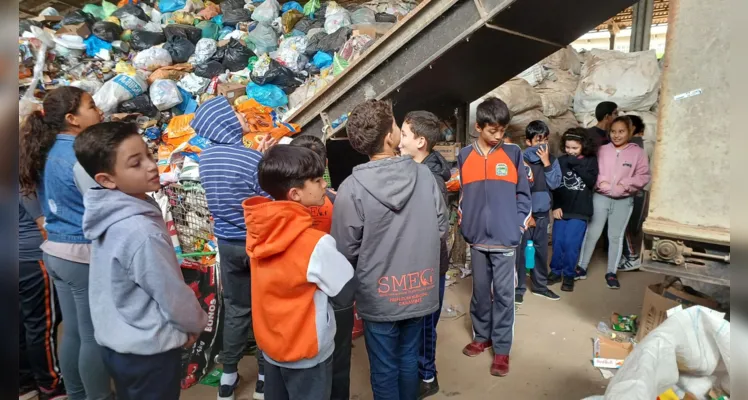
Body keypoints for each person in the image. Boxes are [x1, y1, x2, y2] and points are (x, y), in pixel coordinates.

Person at [75, 122, 208, 399]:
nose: (151, 166)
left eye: (149, 155)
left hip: (119, 341)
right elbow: (169, 292)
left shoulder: (109, 211)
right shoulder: (140, 231)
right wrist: (194, 323)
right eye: (136, 164)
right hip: (148, 351)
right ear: (107, 179)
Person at [331, 100, 448, 400]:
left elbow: (345, 249)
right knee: (409, 358)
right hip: (420, 288)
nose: (398, 130)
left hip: (379, 295)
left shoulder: (351, 188)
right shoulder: (424, 176)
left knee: (383, 366)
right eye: (396, 125)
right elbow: (440, 229)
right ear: (389, 137)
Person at [19, 86, 114, 400]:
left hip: (56, 250)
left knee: (73, 331)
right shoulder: (78, 156)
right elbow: (101, 204)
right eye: (90, 105)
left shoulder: (47, 151)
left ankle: (75, 393)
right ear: (72, 119)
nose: (97, 109)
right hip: (80, 252)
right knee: (93, 337)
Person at [242, 145, 357, 400]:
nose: (323, 186)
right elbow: (346, 289)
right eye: (316, 181)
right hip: (307, 351)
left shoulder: (257, 232)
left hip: (272, 345)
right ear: (295, 194)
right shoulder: (314, 243)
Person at [191, 96, 275, 400]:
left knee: (237, 310)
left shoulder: (206, 158)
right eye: (236, 114)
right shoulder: (250, 159)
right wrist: (262, 161)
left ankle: (227, 378)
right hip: (256, 244)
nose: (242, 116)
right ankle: (265, 377)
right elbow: (265, 199)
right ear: (224, 122)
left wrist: (258, 157)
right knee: (265, 309)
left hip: (226, 245)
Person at [457, 97, 532, 377]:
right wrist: (467, 228)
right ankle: (481, 338)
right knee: (479, 293)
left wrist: (518, 227)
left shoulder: (513, 154)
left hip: (506, 240)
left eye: (502, 130)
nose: (498, 136)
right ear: (478, 127)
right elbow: (464, 196)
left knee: (503, 295)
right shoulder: (465, 156)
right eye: (492, 131)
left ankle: (501, 350)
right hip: (477, 240)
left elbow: (524, 197)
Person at [289, 135, 352, 400]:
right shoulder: (337, 201)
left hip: (294, 294)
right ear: (325, 162)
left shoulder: (276, 209)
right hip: (333, 290)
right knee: (337, 358)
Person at [397, 110, 450, 398]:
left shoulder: (432, 179)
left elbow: (435, 229)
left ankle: (428, 376)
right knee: (416, 322)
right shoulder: (413, 168)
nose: (399, 140)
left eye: (404, 135)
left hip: (429, 263)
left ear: (420, 142)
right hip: (417, 260)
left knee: (426, 322)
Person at [576, 116, 651, 288]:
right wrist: (601, 181)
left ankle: (611, 272)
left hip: (623, 200)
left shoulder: (637, 152)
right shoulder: (602, 150)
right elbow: (593, 169)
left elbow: (643, 176)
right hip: (600, 197)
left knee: (615, 237)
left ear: (630, 132)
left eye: (621, 131)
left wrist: (623, 185)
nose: (617, 135)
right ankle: (582, 267)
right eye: (613, 131)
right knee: (592, 233)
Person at [19, 193, 66, 400]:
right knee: (43, 326)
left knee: (22, 324)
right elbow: (44, 224)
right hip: (33, 259)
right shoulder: (22, 180)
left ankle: (25, 381)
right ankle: (50, 384)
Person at [514, 121, 562, 304]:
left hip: (542, 215)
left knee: (541, 252)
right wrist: (527, 215)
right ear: (528, 142)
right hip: (524, 216)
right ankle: (518, 288)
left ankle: (540, 286)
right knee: (520, 253)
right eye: (538, 140)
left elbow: (555, 184)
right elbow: (518, 188)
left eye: (546, 140)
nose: (542, 145)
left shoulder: (553, 160)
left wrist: (547, 163)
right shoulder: (520, 161)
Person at [548, 128, 599, 292]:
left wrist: (576, 164)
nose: (570, 151)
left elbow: (591, 181)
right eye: (568, 147)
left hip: (580, 211)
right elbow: (554, 186)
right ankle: (555, 272)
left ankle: (569, 275)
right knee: (557, 243)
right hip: (561, 210)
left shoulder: (591, 161)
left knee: (571, 244)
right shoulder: (560, 161)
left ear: (583, 146)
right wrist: (554, 206)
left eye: (575, 148)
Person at [618, 115, 653, 272]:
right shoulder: (648, 144)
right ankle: (633, 256)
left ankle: (632, 258)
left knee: (627, 225)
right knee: (636, 225)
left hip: (634, 191)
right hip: (644, 190)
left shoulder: (634, 147)